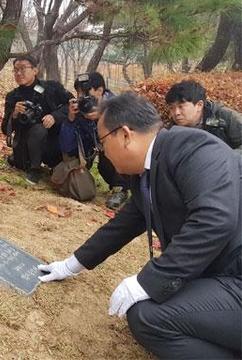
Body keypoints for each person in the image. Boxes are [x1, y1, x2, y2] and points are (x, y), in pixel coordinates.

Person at [39, 92, 241, 359]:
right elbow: (124, 224)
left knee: (148, 317)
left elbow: (214, 220)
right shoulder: (148, 169)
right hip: (218, 276)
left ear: (124, 134)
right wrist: (70, 265)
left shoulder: (196, 150)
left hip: (234, 277)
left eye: (102, 144)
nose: (103, 153)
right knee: (147, 311)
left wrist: (147, 282)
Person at [59, 72, 129, 209]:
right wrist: (70, 120)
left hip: (114, 151)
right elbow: (66, 146)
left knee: (108, 157)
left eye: (85, 92)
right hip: (88, 150)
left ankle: (120, 189)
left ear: (100, 90)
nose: (81, 96)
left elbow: (130, 136)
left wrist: (104, 116)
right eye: (78, 92)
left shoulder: (118, 105)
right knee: (71, 156)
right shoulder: (80, 108)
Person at [1, 56, 72, 184]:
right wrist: (15, 114)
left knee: (42, 129)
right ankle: (34, 168)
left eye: (23, 69)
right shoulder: (13, 97)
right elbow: (5, 129)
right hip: (26, 144)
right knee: (37, 130)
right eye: (15, 70)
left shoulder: (52, 88)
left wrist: (55, 116)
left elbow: (71, 104)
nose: (18, 73)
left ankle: (47, 166)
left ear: (35, 70)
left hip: (53, 143)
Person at [166, 80, 242, 154]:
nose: (176, 113)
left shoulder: (225, 117)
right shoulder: (172, 130)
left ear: (199, 105)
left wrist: (227, 159)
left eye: (181, 107)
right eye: (172, 108)